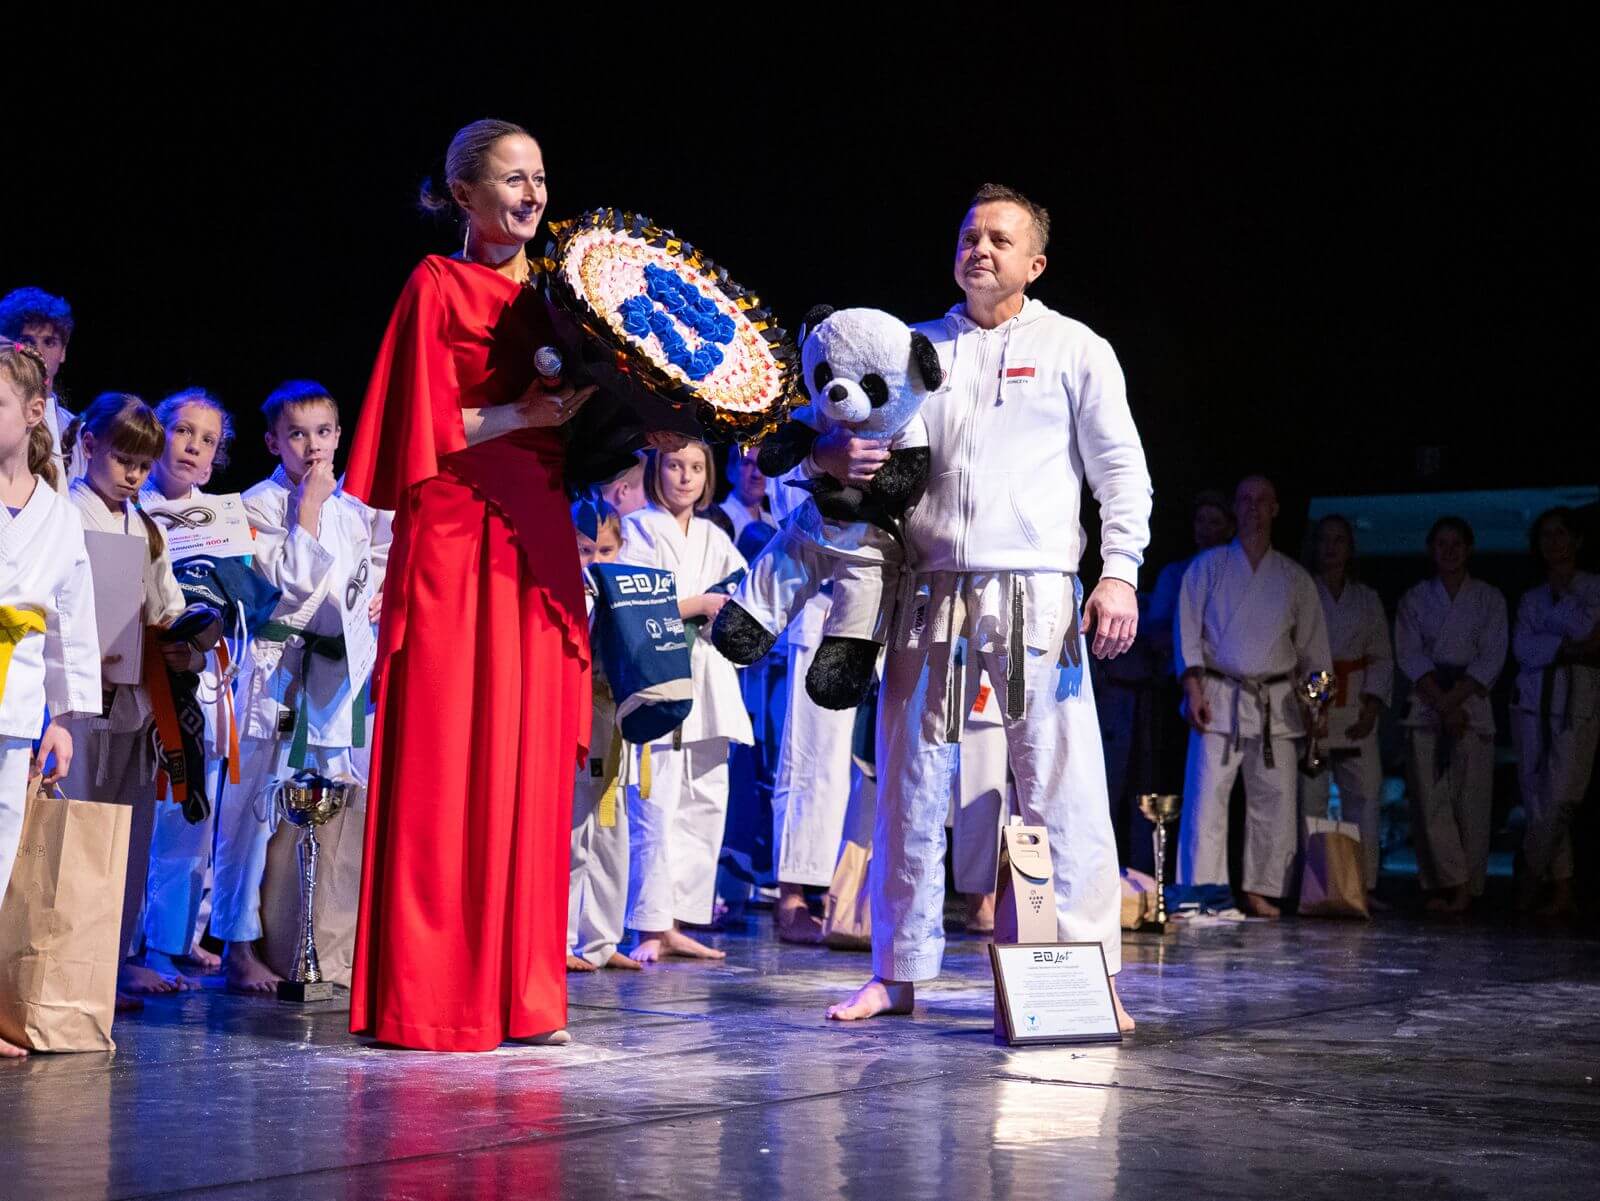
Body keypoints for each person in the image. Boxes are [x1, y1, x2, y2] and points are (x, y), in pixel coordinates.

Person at [824, 184, 1150, 1027]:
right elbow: (838, 429)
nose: (980, 248)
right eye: (970, 235)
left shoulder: (1076, 347)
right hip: (929, 586)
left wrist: (1119, 571)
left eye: (1000, 239)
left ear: (1034, 263)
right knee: (908, 781)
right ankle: (895, 971)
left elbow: (1120, 470)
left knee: (1062, 783)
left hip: (1036, 587)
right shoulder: (911, 347)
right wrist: (834, 455)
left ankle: (1092, 975)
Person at [344, 120, 599, 1051]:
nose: (533, 194)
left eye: (541, 177)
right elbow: (413, 425)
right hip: (457, 528)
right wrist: (521, 414)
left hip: (538, 532)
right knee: (446, 752)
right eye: (512, 178)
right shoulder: (436, 284)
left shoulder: (562, 292)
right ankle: (433, 994)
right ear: (463, 193)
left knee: (528, 757)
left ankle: (524, 993)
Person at [214, 381, 390, 994]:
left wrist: (382, 595)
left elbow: (380, 562)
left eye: (322, 432)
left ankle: (312, 942)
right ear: (273, 442)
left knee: (328, 815)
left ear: (339, 436)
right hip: (277, 681)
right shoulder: (258, 506)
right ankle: (237, 947)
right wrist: (307, 511)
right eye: (296, 434)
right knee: (254, 817)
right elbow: (288, 592)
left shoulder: (355, 510)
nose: (312, 446)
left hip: (337, 685)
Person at [58, 394, 203, 1002]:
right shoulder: (63, 514)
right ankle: (65, 971)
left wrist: (187, 645)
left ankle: (110, 965)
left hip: (136, 704)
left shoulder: (145, 527)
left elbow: (169, 608)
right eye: (124, 460)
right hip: (77, 703)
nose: (134, 476)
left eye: (144, 465)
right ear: (89, 445)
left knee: (126, 840)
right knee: (75, 836)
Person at [0, 341, 99, 1058]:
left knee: (1, 856)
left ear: (35, 412)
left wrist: (62, 719)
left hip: (16, 704)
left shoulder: (60, 517)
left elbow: (71, 622)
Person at [618, 441, 753, 961]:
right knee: (654, 804)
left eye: (696, 467)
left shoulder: (715, 537)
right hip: (659, 680)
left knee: (704, 803)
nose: (685, 477)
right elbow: (631, 604)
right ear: (657, 469)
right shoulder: (637, 529)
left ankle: (676, 920)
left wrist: (727, 613)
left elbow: (742, 599)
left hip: (711, 683)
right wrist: (699, 604)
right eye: (675, 466)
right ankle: (647, 924)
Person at [1174, 475, 1332, 918]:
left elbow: (1316, 651)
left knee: (1275, 803)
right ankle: (1202, 888)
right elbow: (1187, 631)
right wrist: (1193, 687)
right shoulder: (1207, 567)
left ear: (1275, 509)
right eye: (1244, 500)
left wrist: (1318, 706)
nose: (1253, 508)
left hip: (1275, 703)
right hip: (1218, 695)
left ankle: (1262, 889)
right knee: (1206, 799)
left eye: (1262, 500)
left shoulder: (1295, 578)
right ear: (1235, 509)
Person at [140, 389, 237, 980]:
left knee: (188, 817)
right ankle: (130, 947)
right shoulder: (128, 503)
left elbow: (244, 607)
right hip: (139, 678)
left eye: (208, 440)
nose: (193, 446)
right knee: (141, 816)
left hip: (198, 682)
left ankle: (169, 941)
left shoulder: (226, 520)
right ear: (158, 434)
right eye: (182, 431)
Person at [1395, 516, 1508, 914]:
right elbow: (1409, 653)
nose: (1449, 551)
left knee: (1471, 803)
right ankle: (1444, 883)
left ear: (1469, 548)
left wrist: (1453, 702)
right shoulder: (1414, 598)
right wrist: (1442, 703)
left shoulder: (1489, 598)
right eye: (1441, 544)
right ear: (1431, 549)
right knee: (1429, 802)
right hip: (1428, 704)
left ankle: (1466, 888)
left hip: (1470, 704)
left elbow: (1492, 655)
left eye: (1456, 543)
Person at [1298, 514, 1394, 904]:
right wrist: (1311, 711)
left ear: (1350, 548)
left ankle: (1363, 886)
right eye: (1325, 539)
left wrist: (1371, 706)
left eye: (1339, 540)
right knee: (1312, 799)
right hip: (1314, 704)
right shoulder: (1303, 591)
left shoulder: (1366, 598)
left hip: (1355, 704)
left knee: (1365, 798)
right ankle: (1314, 887)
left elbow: (1381, 657)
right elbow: (1298, 652)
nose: (1331, 547)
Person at [1510, 508, 1599, 918]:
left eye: (1561, 533)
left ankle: (1529, 871)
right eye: (1545, 534)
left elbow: (1591, 636)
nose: (1553, 542)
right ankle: (1562, 888)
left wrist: (1561, 633)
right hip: (1532, 701)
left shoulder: (1593, 587)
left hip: (1577, 701)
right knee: (1536, 797)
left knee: (1562, 796)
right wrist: (1565, 646)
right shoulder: (1531, 597)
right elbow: (1523, 649)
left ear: (1577, 540)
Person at [566, 496, 642, 972]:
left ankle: (602, 939)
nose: (596, 561)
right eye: (586, 550)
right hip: (578, 721)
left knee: (612, 831)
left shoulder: (627, 595)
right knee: (573, 830)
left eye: (606, 550)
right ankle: (559, 938)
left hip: (616, 724)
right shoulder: (565, 594)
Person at [0, 289, 82, 489]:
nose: (38, 351)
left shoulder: (78, 431)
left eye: (49, 342)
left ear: (63, 352)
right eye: (27, 341)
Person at [719, 444, 771, 541]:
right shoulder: (719, 520)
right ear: (730, 471)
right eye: (747, 464)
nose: (757, 474)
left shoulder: (772, 523)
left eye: (763, 465)